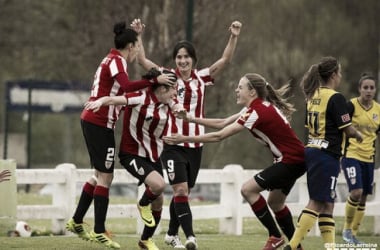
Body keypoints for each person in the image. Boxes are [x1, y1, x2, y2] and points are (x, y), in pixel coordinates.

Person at [131, 18, 242, 250]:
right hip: (172, 143)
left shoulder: (202, 78)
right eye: (178, 57)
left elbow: (225, 60)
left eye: (186, 57)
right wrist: (138, 36)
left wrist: (233, 36)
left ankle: (172, 234)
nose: (182, 61)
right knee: (180, 189)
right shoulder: (167, 76)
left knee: (184, 192)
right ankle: (191, 237)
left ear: (193, 59)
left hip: (195, 143)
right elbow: (142, 60)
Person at [164, 73, 306, 250]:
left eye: (240, 87)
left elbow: (219, 136)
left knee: (248, 190)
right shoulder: (256, 108)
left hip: (291, 161)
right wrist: (190, 119)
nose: (236, 90)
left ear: (252, 92)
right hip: (295, 159)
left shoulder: (257, 112)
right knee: (276, 203)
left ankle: (275, 236)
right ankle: (296, 246)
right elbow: (222, 123)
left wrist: (183, 138)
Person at [65, 21, 175, 249]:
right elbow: (126, 87)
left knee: (98, 175)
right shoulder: (117, 60)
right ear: (131, 47)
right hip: (99, 121)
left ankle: (76, 221)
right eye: (136, 47)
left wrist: (139, 36)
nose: (137, 53)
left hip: (95, 120)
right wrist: (154, 80)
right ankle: (98, 231)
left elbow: (129, 86)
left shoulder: (113, 59)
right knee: (106, 177)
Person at [84, 75, 180, 250]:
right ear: (163, 89)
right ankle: (142, 204)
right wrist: (100, 102)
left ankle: (145, 240)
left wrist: (182, 113)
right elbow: (115, 98)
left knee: (158, 201)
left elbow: (179, 107)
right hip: (132, 154)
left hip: (154, 156)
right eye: (174, 89)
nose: (176, 93)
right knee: (159, 185)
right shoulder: (141, 98)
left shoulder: (170, 102)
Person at [283, 56, 363, 250]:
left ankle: (331, 247)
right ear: (334, 74)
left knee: (328, 204)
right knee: (317, 202)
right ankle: (292, 245)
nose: (341, 76)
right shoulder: (335, 98)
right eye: (340, 72)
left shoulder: (313, 96)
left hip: (313, 150)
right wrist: (359, 134)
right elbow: (347, 129)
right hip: (327, 155)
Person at [341, 72, 379, 244]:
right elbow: (341, 126)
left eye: (372, 88)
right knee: (356, 192)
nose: (369, 91)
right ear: (359, 89)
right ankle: (346, 230)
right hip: (351, 155)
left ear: (375, 90)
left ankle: (353, 235)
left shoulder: (378, 110)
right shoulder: (351, 106)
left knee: (364, 196)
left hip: (369, 158)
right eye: (365, 88)